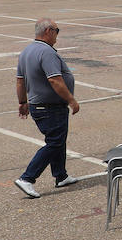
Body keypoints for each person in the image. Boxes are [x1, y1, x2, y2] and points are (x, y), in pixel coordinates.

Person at [13, 18, 80, 198]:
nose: (57, 36)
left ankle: (60, 175)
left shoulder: (27, 51)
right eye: (57, 31)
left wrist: (22, 102)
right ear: (49, 31)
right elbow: (54, 80)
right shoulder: (46, 52)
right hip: (50, 107)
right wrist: (71, 100)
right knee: (55, 142)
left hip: (38, 106)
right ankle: (27, 178)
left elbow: (20, 81)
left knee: (58, 140)